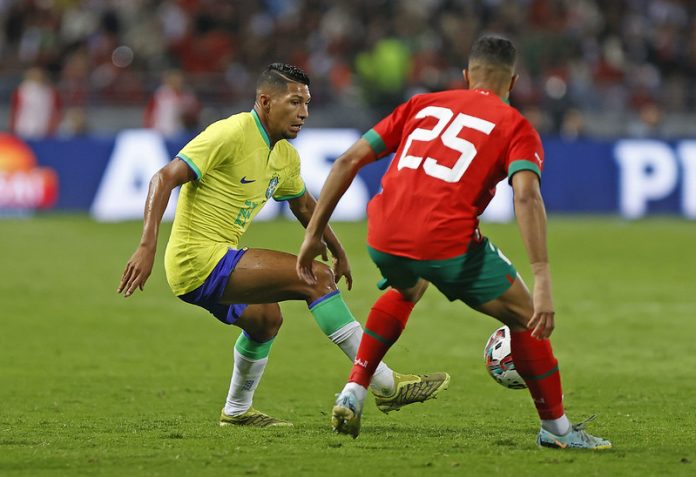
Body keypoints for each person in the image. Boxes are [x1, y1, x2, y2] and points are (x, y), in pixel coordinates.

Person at [297, 37, 612, 449]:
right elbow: (527, 195)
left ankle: (354, 390)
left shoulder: (422, 104)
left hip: (384, 232)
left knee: (407, 286)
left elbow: (346, 161)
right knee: (526, 317)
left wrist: (313, 234)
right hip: (444, 239)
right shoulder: (516, 126)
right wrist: (542, 276)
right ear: (513, 81)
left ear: (466, 76)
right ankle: (558, 431)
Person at [117, 63, 449, 427]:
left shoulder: (285, 155)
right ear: (265, 101)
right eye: (294, 102)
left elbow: (304, 205)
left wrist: (338, 250)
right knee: (316, 278)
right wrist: (147, 245)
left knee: (266, 320)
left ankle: (237, 410)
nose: (303, 113)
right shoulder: (230, 133)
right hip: (197, 260)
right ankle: (385, 384)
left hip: (215, 259)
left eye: (307, 103)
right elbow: (163, 178)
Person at [9, 67, 62, 139]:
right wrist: (13, 128)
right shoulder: (21, 91)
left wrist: (51, 128)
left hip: (43, 129)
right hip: (23, 128)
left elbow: (56, 111)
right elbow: (15, 110)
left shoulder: (50, 92)